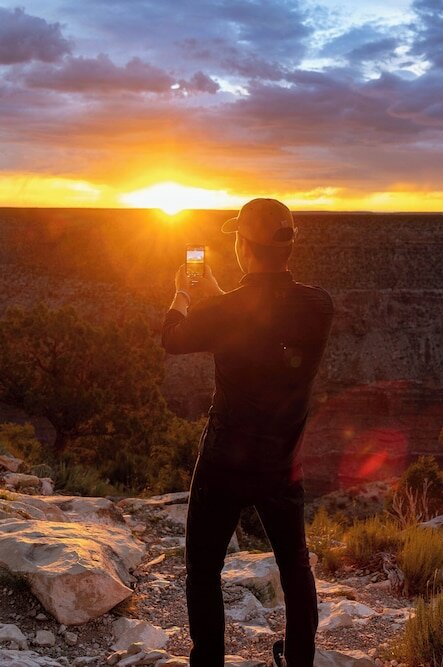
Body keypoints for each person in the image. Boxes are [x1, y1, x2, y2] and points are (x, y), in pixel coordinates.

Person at [161, 198, 334, 667]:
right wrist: (219, 298)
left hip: (224, 462)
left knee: (203, 570)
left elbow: (172, 337)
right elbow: (261, 316)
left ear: (242, 246)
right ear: (287, 246)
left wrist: (183, 293)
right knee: (295, 568)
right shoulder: (319, 304)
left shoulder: (227, 310)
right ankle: (300, 660)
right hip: (283, 463)